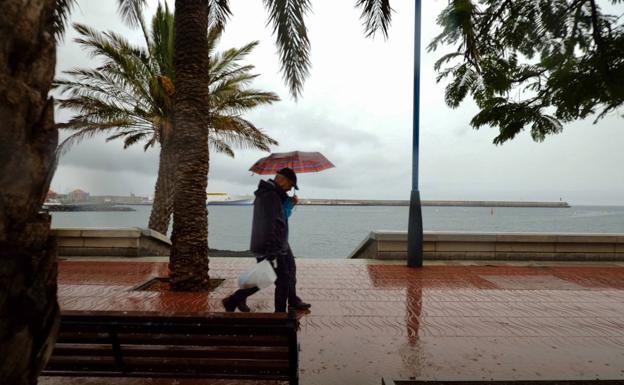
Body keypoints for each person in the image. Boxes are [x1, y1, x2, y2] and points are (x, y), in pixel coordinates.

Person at [222, 167, 311, 312]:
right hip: (272, 245)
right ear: (282, 180)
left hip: (277, 242)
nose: (290, 189)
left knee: (286, 271)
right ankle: (278, 315)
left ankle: (292, 301)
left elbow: (279, 219)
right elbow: (270, 224)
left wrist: (288, 204)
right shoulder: (271, 196)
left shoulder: (274, 194)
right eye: (290, 185)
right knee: (275, 278)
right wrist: (272, 252)